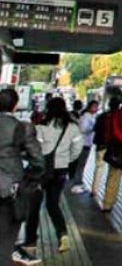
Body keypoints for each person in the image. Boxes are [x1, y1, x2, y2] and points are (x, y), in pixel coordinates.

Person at [21, 97, 83, 256]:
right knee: (53, 204)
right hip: (61, 170)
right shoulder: (72, 127)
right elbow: (78, 148)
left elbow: (36, 150)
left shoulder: (42, 127)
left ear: (49, 109)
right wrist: (67, 160)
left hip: (42, 171)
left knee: (34, 207)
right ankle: (62, 234)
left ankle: (30, 244)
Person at [0, 89, 45, 266]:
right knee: (6, 237)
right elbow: (38, 162)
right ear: (15, 105)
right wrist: (25, 182)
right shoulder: (21, 128)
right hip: (8, 191)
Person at [90, 97, 120, 197]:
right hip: (114, 148)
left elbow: (95, 129)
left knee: (99, 167)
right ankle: (109, 192)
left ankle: (94, 190)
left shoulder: (102, 116)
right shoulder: (119, 117)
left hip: (101, 146)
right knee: (112, 171)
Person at [70, 100, 99, 194]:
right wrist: (92, 129)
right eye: (94, 106)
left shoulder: (87, 115)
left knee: (80, 164)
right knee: (81, 164)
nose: (96, 108)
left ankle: (78, 182)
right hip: (84, 143)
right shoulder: (87, 116)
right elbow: (83, 129)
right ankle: (77, 184)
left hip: (85, 143)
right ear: (90, 107)